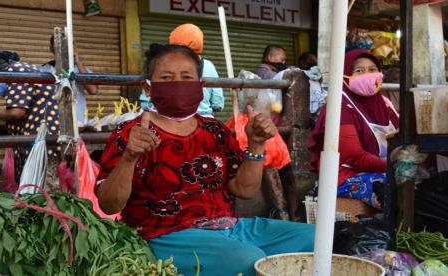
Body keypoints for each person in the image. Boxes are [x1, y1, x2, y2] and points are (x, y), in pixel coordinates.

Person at [96, 44, 314, 276]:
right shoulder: (130, 132)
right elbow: (109, 205)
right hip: (165, 234)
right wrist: (130, 157)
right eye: (166, 77)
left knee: (315, 239)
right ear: (148, 88)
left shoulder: (215, 130)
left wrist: (256, 143)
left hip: (229, 227)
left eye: (186, 76)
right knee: (249, 260)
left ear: (200, 85)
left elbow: (244, 189)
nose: (177, 83)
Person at [308, 49, 399, 209]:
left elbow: (402, 136)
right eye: (359, 71)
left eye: (372, 70)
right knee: (394, 191)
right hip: (345, 176)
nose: (367, 75)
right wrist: (395, 166)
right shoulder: (339, 106)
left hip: (384, 169)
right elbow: (355, 156)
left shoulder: (384, 103)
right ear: (344, 75)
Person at [0, 51, 61, 184]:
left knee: (38, 189)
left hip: (43, 139)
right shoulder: (23, 70)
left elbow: (17, 112)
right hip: (37, 137)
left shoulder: (17, 70)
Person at [139, 23, 224, 118]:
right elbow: (218, 104)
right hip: (204, 118)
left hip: (164, 120)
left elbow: (145, 103)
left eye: (187, 77)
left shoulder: (161, 63)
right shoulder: (209, 66)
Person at [41, 35, 98, 126]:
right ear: (52, 48)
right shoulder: (44, 70)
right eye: (58, 46)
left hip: (79, 123)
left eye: (67, 46)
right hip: (54, 123)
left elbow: (93, 90)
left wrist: (78, 62)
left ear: (73, 47)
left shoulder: (81, 69)